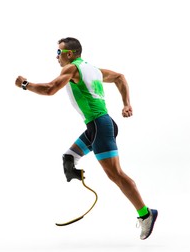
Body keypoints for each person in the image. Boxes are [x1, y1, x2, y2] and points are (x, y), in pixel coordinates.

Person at [15, 37, 157, 240]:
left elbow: (49, 89)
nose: (56, 56)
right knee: (69, 159)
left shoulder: (71, 68)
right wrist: (126, 104)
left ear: (70, 54)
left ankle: (145, 214)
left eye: (58, 52)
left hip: (100, 126)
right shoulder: (93, 70)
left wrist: (25, 85)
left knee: (116, 174)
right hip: (96, 127)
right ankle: (80, 184)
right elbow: (119, 77)